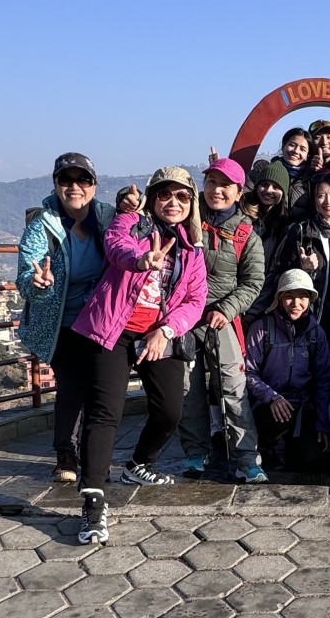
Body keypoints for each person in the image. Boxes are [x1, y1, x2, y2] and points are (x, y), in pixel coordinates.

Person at [71, 166, 208, 544]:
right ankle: (94, 502)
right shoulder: (130, 223)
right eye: (165, 194)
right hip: (112, 328)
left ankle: (138, 464)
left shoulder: (192, 248)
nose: (173, 202)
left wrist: (165, 331)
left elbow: (196, 300)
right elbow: (117, 248)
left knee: (170, 410)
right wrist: (142, 261)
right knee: (105, 411)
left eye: (182, 196)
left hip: (156, 333)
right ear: (152, 197)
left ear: (191, 202)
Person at [16, 153, 117, 483]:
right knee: (72, 385)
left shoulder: (107, 218)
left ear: (94, 185)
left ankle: (93, 454)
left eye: (83, 180)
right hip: (59, 323)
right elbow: (25, 278)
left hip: (101, 319)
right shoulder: (42, 226)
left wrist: (136, 206)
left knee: (99, 388)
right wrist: (38, 283)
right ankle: (66, 455)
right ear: (56, 185)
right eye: (66, 180)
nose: (75, 186)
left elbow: (133, 242)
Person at [179, 158, 267, 484]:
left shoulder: (247, 236)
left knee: (233, 386)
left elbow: (252, 283)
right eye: (212, 182)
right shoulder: (186, 220)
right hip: (184, 317)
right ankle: (194, 452)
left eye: (225, 185)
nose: (217, 190)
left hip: (221, 318)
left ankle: (247, 458)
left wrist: (226, 310)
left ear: (237, 191)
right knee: (188, 388)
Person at [245, 270, 330, 471]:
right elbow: (248, 372)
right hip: (267, 404)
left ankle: (292, 447)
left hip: (303, 405)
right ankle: (268, 445)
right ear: (279, 299)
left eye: (303, 296)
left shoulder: (316, 334)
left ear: (310, 299)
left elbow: (324, 379)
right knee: (277, 419)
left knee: (313, 459)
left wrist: (322, 423)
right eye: (289, 296)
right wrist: (271, 397)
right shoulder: (261, 328)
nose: (296, 304)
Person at [271, 172, 330, 361]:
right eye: (321, 195)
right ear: (314, 201)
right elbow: (278, 272)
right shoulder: (300, 231)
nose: (328, 201)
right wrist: (301, 268)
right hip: (306, 315)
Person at [241, 160, 291, 323]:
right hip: (232, 302)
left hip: (261, 308)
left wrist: (254, 311)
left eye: (276, 187)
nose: (269, 190)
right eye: (265, 184)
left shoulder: (284, 226)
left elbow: (272, 272)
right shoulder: (241, 216)